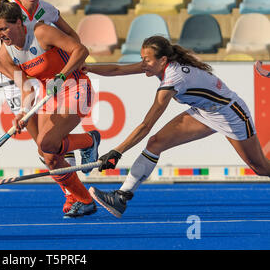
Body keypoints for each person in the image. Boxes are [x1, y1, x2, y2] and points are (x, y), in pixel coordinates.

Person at [84, 36, 270, 218]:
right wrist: (86, 68)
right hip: (205, 112)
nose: (143, 64)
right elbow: (117, 69)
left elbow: (146, 124)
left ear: (162, 60)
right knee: (155, 143)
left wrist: (117, 151)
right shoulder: (160, 66)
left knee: (260, 168)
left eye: (147, 60)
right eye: (142, 59)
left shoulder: (174, 79)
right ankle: (121, 197)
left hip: (231, 114)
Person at [0, 0, 84, 214]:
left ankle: (75, 196)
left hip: (41, 75)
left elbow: (75, 40)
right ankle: (72, 193)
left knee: (51, 143)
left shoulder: (47, 12)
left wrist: (59, 64)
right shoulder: (7, 12)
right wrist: (18, 76)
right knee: (42, 146)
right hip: (19, 80)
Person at [0, 0, 99, 218]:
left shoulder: (42, 32)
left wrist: (61, 75)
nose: (0, 34)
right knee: (48, 156)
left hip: (74, 86)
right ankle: (85, 200)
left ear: (19, 23)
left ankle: (89, 141)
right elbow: (27, 88)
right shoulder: (5, 53)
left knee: (46, 142)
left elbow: (80, 50)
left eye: (4, 28)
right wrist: (22, 112)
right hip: (49, 97)